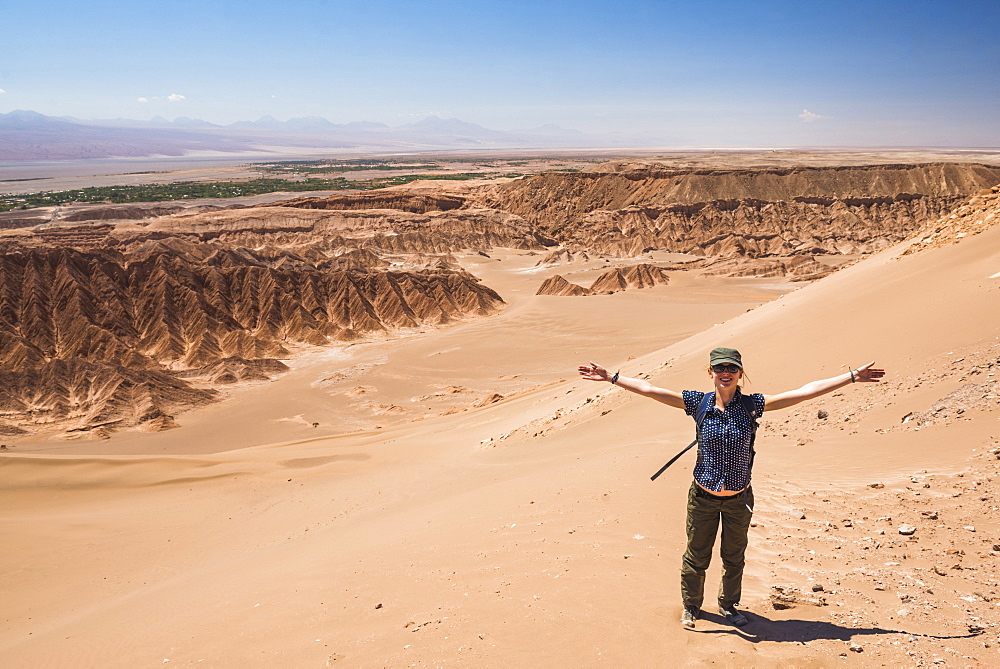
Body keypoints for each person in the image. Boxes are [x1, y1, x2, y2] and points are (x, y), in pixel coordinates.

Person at [578, 347, 884, 629]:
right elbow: (651, 390)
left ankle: (728, 606)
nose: (726, 372)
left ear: (740, 373)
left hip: (739, 498)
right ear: (709, 372)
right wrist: (612, 378)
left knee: (734, 556)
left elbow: (804, 393)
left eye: (732, 368)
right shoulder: (697, 403)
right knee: (696, 556)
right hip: (703, 497)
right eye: (719, 367)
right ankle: (692, 606)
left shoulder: (752, 406)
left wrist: (852, 377)